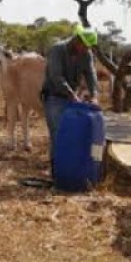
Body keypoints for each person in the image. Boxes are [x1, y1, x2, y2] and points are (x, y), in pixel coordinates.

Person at [40, 24, 99, 164]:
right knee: (58, 134)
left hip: (72, 99)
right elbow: (56, 77)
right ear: (77, 40)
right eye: (85, 46)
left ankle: (71, 167)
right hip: (54, 97)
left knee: (72, 134)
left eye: (89, 47)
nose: (87, 49)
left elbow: (91, 74)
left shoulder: (86, 54)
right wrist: (72, 95)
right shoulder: (57, 50)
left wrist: (94, 95)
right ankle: (57, 169)